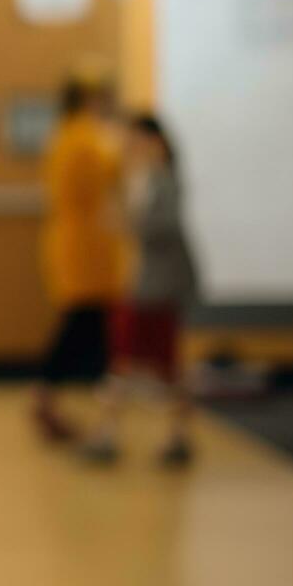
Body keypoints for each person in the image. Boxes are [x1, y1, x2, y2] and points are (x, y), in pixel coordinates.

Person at [81, 114, 202, 466]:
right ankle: (173, 435)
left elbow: (162, 227)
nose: (131, 148)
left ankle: (109, 434)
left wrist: (125, 221)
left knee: (131, 359)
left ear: (156, 142)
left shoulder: (164, 181)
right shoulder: (146, 179)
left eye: (137, 140)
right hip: (149, 282)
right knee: (159, 365)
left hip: (158, 286)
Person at [34, 70, 125, 442]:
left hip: (78, 243)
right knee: (83, 324)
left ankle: (93, 412)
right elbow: (114, 176)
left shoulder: (64, 135)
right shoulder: (87, 139)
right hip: (86, 246)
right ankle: (55, 401)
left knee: (88, 326)